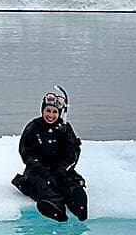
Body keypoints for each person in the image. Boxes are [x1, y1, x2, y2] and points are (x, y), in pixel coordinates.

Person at [12, 87, 88, 222]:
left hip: (61, 170)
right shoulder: (33, 127)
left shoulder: (65, 129)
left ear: (60, 113)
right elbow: (26, 154)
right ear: (42, 111)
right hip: (37, 170)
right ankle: (56, 210)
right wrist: (45, 174)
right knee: (42, 187)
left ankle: (79, 208)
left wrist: (59, 173)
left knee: (70, 185)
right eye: (48, 111)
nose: (50, 115)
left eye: (54, 112)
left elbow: (72, 155)